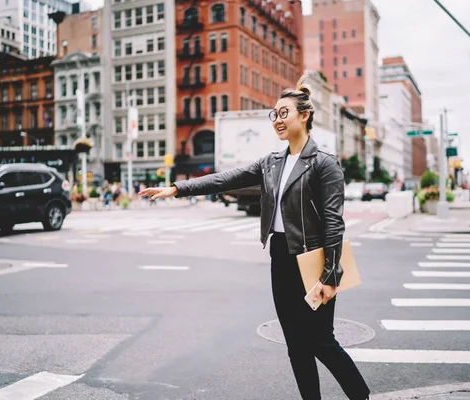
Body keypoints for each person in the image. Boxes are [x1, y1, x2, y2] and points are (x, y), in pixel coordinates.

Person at [140, 77, 370, 400]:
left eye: (284, 113)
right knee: (295, 345)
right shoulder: (271, 163)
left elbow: (334, 223)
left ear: (304, 115)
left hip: (312, 259)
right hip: (281, 258)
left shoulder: (324, 164)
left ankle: (362, 396)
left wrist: (331, 275)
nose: (277, 120)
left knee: (320, 341)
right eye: (273, 114)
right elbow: (226, 179)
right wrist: (178, 188)